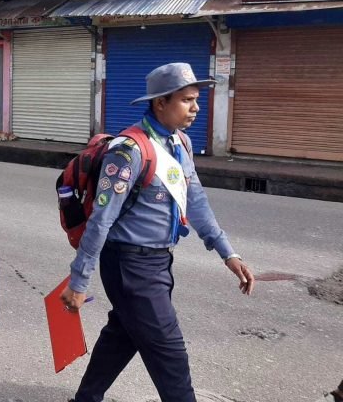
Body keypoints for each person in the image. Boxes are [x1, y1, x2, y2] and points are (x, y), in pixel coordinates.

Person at [60, 63, 255, 402]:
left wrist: (228, 253)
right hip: (129, 265)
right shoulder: (128, 151)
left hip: (158, 263)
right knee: (171, 355)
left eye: (196, 100)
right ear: (160, 103)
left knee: (122, 335)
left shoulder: (180, 144)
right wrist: (79, 282)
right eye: (187, 100)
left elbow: (195, 201)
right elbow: (101, 220)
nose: (195, 108)